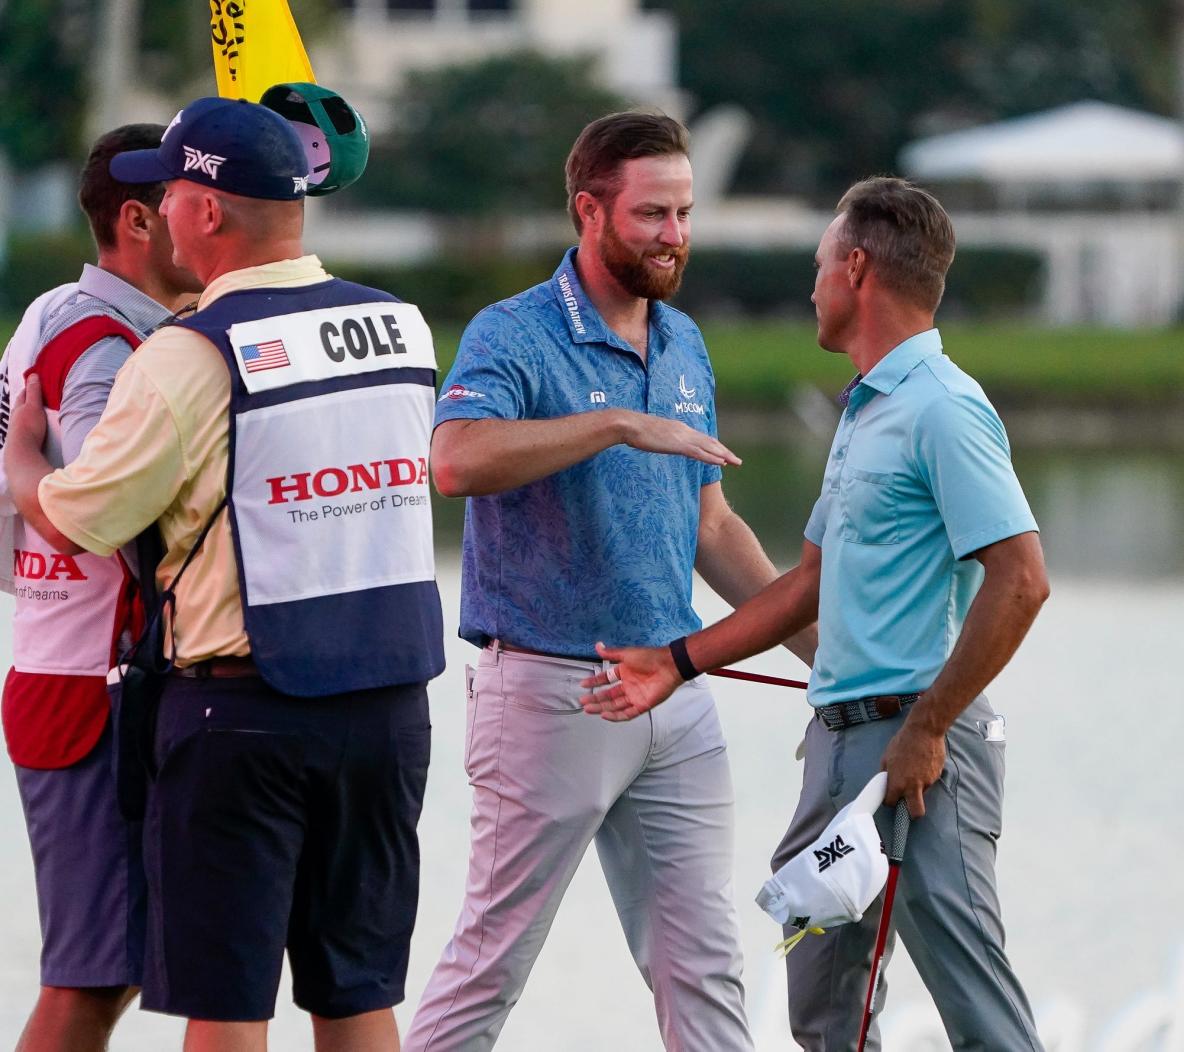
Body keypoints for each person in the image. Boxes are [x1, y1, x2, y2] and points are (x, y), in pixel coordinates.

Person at [5, 96, 445, 1052]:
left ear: (206, 212)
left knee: (228, 997)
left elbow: (86, 518)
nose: (158, 211)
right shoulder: (402, 327)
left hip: (243, 711)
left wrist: (25, 472)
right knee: (357, 990)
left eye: (171, 193)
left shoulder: (184, 353)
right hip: (389, 707)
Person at [581, 176, 1050, 1051]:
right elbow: (806, 586)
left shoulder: (943, 408)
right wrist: (673, 661)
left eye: (820, 265)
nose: (812, 286)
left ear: (858, 268)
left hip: (917, 753)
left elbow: (1021, 580)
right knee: (826, 1014)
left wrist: (929, 726)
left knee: (977, 1005)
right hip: (839, 747)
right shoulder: (867, 407)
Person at [405, 111, 815, 1052]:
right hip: (552, 692)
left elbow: (711, 525)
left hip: (673, 688)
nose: (675, 236)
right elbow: (455, 462)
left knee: (706, 963)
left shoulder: (684, 343)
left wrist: (822, 654)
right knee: (491, 965)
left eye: (684, 213)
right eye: (652, 215)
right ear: (590, 210)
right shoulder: (515, 331)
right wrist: (614, 425)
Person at [0, 122, 201, 1052]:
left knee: (106, 973)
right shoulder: (108, 347)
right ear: (136, 218)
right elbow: (87, 512)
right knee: (90, 980)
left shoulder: (48, 313)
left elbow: (23, 509)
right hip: (93, 690)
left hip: (59, 668)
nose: (215, 219)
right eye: (194, 205)